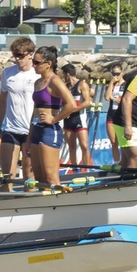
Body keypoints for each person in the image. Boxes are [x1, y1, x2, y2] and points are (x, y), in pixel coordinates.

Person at [29, 47, 80, 189]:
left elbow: (71, 104)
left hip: (50, 131)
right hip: (36, 129)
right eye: (33, 61)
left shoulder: (55, 81)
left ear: (48, 64)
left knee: (51, 178)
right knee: (39, 179)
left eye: (36, 62)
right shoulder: (37, 82)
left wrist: (53, 119)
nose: (33, 65)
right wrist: (29, 136)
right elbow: (34, 110)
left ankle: (58, 205)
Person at [0, 37, 38, 191]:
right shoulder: (8, 73)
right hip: (11, 129)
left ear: (31, 54)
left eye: (20, 55)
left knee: (28, 175)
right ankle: (5, 205)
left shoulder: (37, 74)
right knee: (7, 176)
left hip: (30, 130)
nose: (17, 59)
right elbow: (2, 101)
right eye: (15, 55)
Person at [60, 64, 94, 168]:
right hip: (68, 120)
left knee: (84, 145)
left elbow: (87, 102)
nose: (62, 77)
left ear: (67, 74)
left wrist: (72, 110)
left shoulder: (82, 84)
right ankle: (74, 169)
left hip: (79, 119)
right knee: (71, 146)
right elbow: (62, 103)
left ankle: (87, 169)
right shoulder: (65, 87)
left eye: (63, 75)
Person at [103, 64, 126, 162]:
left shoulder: (126, 85)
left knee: (123, 143)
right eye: (113, 74)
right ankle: (117, 163)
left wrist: (115, 99)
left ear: (122, 73)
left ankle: (125, 162)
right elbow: (107, 97)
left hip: (121, 116)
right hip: (111, 116)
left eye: (117, 73)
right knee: (113, 142)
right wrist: (112, 83)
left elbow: (125, 101)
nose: (115, 76)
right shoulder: (111, 85)